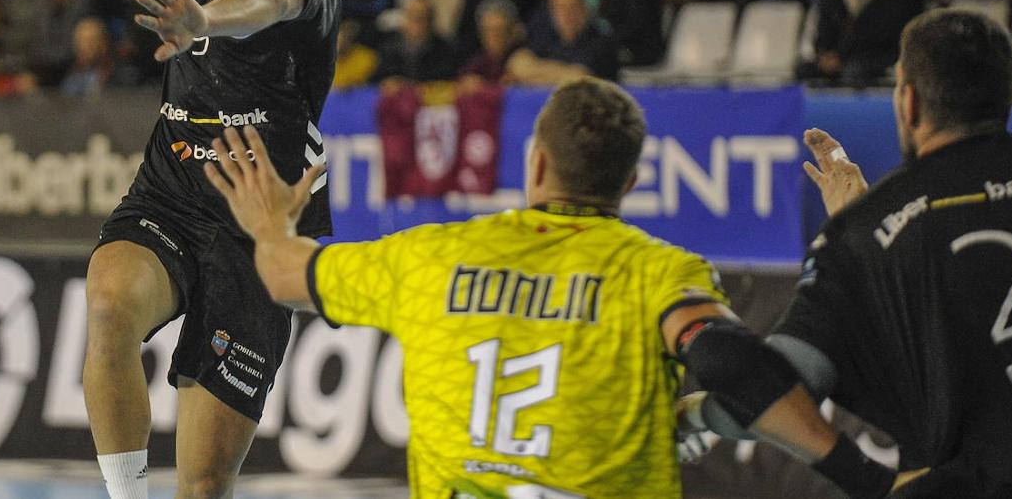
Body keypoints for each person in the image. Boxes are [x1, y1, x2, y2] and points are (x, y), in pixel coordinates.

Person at [201, 78, 901, 499]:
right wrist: (860, 475)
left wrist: (268, 224)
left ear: (535, 163)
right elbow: (730, 363)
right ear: (628, 184)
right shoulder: (654, 273)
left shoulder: (432, 257)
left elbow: (285, 275)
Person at [19, 0, 340, 499]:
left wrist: (207, 23)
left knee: (201, 486)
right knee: (106, 305)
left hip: (257, 227)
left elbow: (270, 1)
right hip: (171, 188)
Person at [686, 9, 1012, 497]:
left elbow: (767, 393)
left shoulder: (857, 239)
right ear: (1009, 93)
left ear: (909, 101)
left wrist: (692, 415)